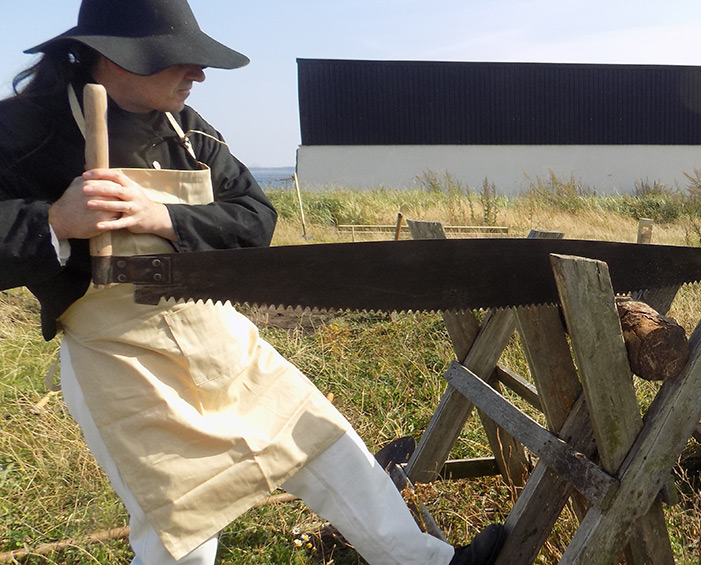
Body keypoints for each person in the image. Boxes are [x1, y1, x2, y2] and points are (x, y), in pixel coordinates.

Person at [0, 1, 504, 563]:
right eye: (180, 60)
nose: (200, 74)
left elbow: (254, 217)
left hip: (215, 333)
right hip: (119, 357)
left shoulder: (188, 130)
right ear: (116, 59)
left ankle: (431, 562)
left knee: (323, 441)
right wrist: (53, 222)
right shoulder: (21, 130)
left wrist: (162, 218)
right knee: (182, 523)